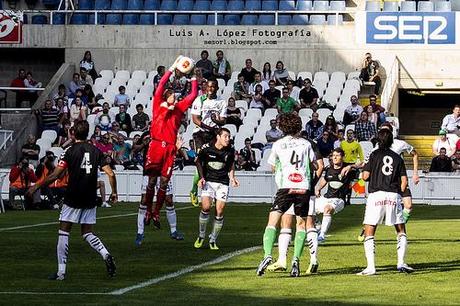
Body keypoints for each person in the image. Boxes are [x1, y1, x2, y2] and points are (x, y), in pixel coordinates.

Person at [27, 120, 118, 280]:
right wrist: (114, 192)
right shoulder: (96, 151)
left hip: (74, 195)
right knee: (87, 232)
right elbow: (110, 174)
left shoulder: (68, 151)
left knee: (64, 232)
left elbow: (56, 175)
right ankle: (105, 254)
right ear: (87, 133)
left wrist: (36, 186)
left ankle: (61, 272)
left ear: (73, 133)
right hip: (90, 197)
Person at [256, 113, 318, 277]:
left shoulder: (277, 144)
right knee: (301, 224)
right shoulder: (306, 144)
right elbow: (314, 165)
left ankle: (268, 255)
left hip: (285, 187)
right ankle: (296, 259)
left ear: (282, 127)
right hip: (303, 187)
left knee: (272, 222)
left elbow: (273, 167)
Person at [142, 56, 198, 229]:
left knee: (164, 183)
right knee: (152, 182)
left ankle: (157, 212)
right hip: (156, 145)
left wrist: (194, 77)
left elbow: (194, 94)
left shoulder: (179, 108)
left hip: (170, 148)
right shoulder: (158, 104)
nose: (173, 95)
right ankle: (148, 212)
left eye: (174, 94)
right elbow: (160, 86)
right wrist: (171, 69)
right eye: (171, 94)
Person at [266, 131, 323, 274]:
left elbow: (272, 166)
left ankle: (282, 260)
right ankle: (313, 259)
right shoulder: (309, 143)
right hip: (305, 188)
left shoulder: (282, 144)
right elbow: (319, 165)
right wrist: (311, 185)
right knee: (307, 224)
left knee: (286, 222)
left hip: (288, 187)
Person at [358, 128, 413, 276]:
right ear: (391, 141)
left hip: (376, 195)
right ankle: (401, 262)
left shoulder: (373, 155)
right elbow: (404, 181)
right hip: (393, 195)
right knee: (401, 230)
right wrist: (399, 195)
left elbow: (365, 176)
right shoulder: (397, 157)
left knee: (370, 230)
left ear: (378, 140)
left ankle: (371, 267)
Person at [135, 131, 186, 244]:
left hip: (164, 171)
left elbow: (176, 152)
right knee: (143, 200)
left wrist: (178, 148)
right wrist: (144, 143)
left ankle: (173, 231)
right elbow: (135, 148)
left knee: (169, 200)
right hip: (149, 172)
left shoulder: (168, 136)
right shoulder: (147, 134)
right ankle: (140, 232)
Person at [194, 128, 239, 250]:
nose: (228, 139)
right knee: (206, 208)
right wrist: (201, 177)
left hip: (222, 182)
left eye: (229, 136)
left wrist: (232, 178)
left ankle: (213, 239)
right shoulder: (206, 148)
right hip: (208, 181)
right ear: (218, 137)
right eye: (225, 136)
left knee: (219, 211)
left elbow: (231, 165)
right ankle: (201, 236)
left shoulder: (230, 150)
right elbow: (198, 162)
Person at [189, 79, 227, 207]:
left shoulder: (222, 102)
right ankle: (194, 190)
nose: (210, 89)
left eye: (213, 87)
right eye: (208, 87)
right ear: (206, 88)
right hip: (200, 134)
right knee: (199, 160)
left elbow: (223, 121)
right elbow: (195, 119)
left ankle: (212, 192)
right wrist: (208, 126)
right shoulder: (199, 100)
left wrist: (217, 121)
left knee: (211, 163)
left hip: (213, 134)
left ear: (216, 88)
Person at [314, 148, 354, 242]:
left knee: (327, 209)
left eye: (337, 155)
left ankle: (322, 235)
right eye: (333, 155)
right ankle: (318, 225)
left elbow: (362, 164)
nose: (335, 157)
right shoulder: (329, 168)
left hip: (339, 200)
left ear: (342, 157)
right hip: (327, 197)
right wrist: (318, 189)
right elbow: (325, 180)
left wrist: (351, 166)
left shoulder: (347, 167)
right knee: (308, 208)